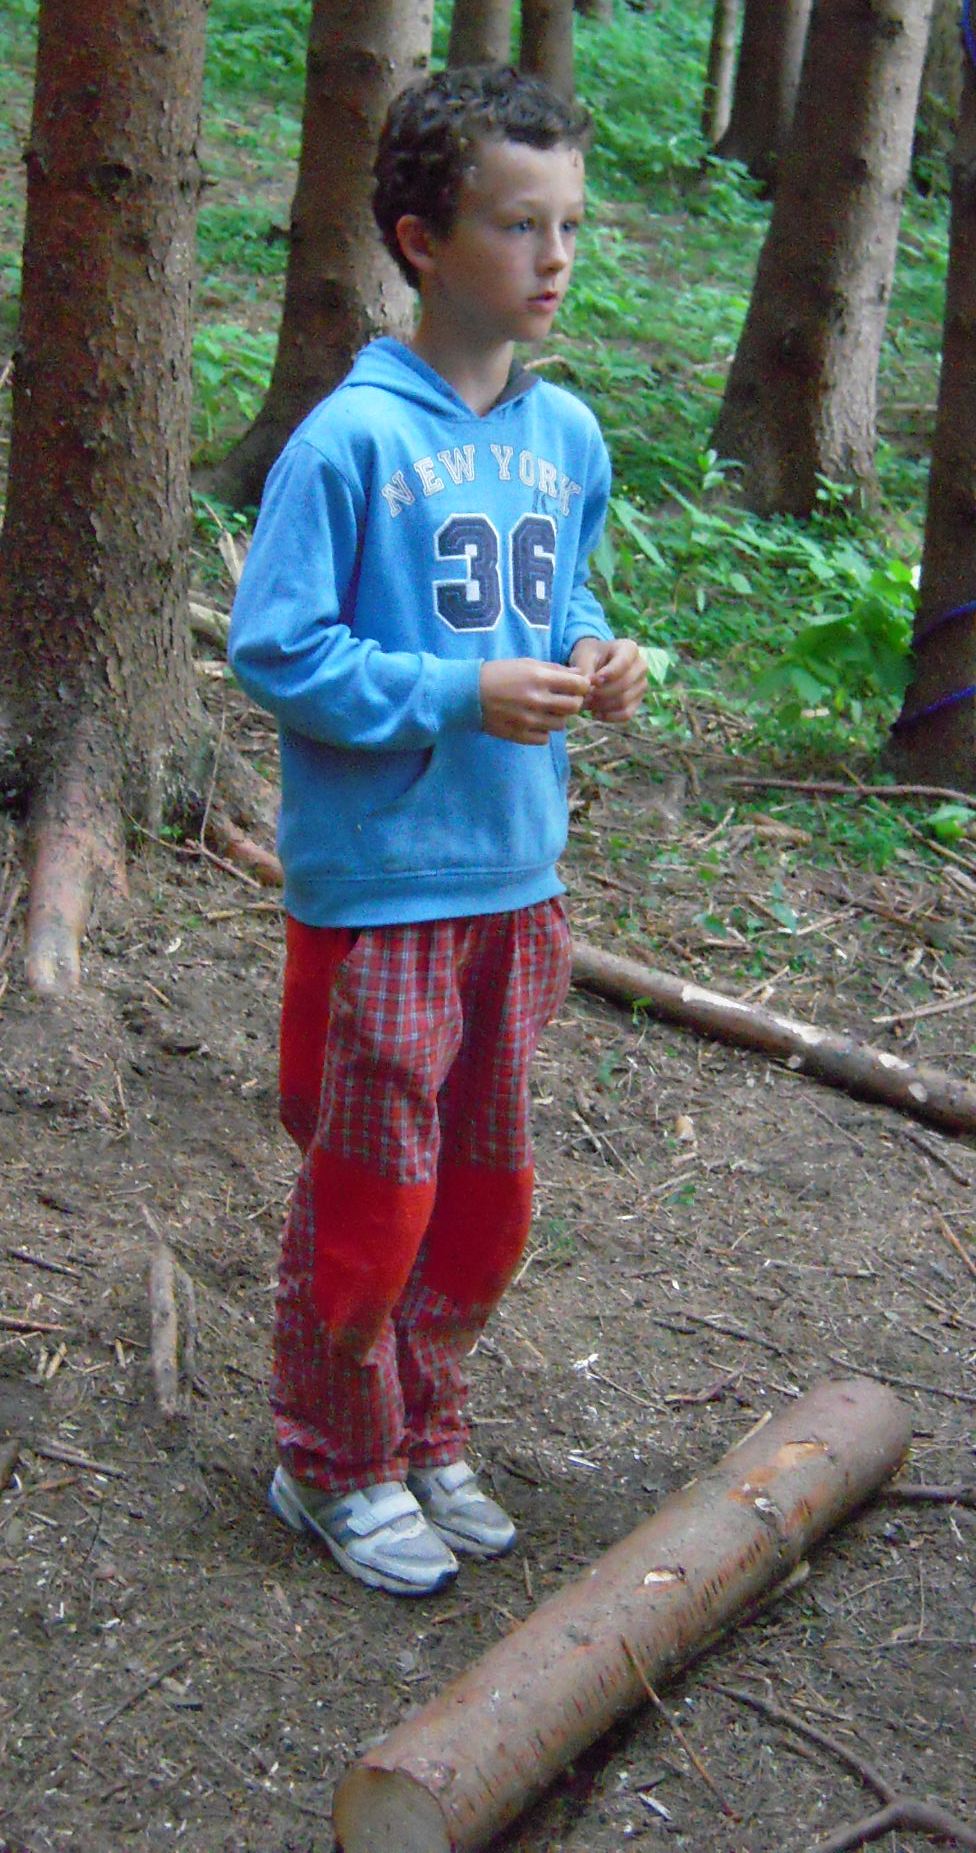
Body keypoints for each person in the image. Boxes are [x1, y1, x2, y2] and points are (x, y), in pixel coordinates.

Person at [228, 63, 647, 1597]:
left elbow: (562, 589)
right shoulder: (349, 443)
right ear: (421, 240)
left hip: (516, 877)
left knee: (483, 1189)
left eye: (571, 225)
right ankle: (332, 1456)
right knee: (375, 1188)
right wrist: (458, 692)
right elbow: (278, 649)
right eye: (519, 224)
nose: (556, 257)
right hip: (384, 890)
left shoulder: (566, 437)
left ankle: (426, 1422)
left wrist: (596, 651)